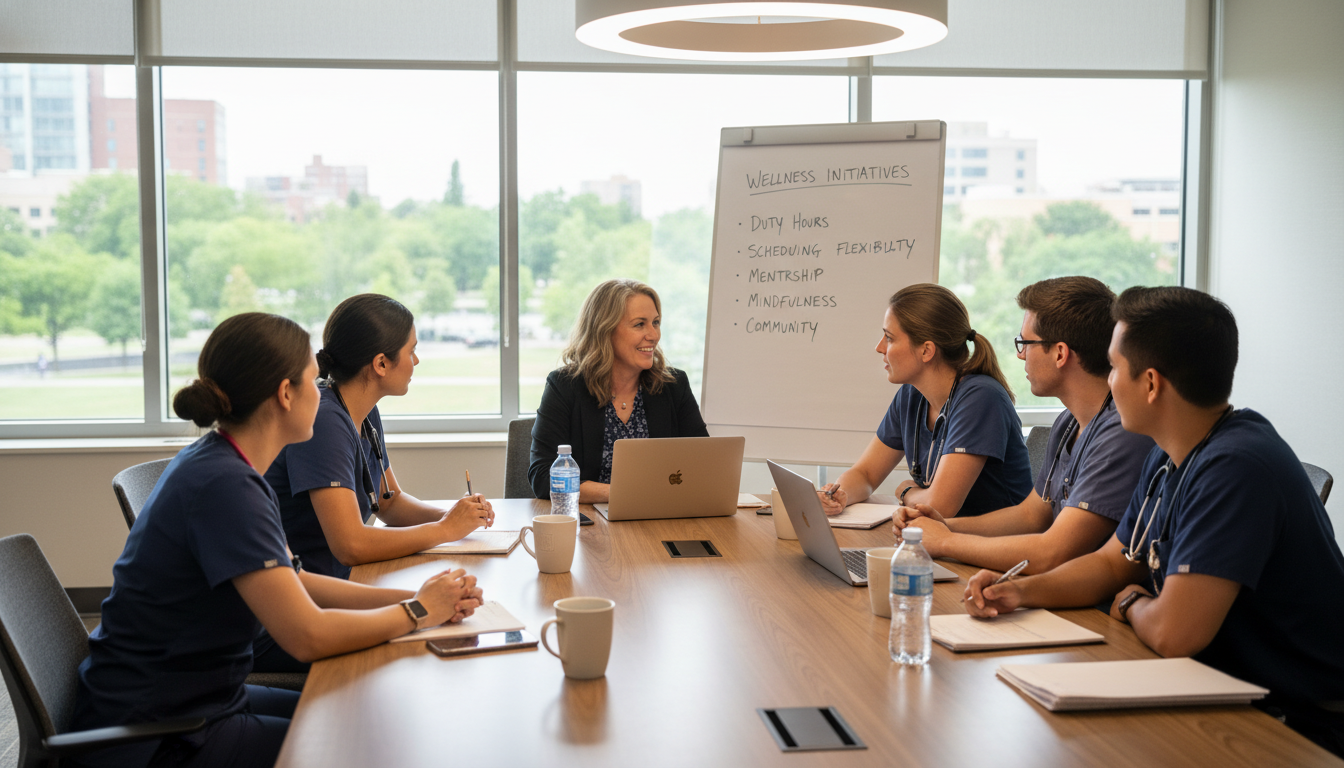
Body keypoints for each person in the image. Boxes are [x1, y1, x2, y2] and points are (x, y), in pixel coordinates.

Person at [70, 313, 483, 768]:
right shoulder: (225, 486)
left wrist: (423, 597)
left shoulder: (230, 466)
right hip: (156, 733)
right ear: (286, 395)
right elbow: (307, 635)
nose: (322, 392)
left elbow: (298, 579)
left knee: (370, 714)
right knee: (370, 747)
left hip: (200, 700)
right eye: (313, 380)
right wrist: (419, 612)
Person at [964, 286, 1344, 757]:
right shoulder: (1170, 452)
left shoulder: (1236, 466)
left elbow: (1173, 633)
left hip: (1295, 723)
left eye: (1115, 367)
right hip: (1218, 686)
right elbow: (1109, 566)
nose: (1108, 382)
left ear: (1151, 384)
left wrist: (1130, 606)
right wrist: (1019, 591)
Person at [259, 294, 492, 672]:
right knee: (419, 661)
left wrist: (452, 516)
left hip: (328, 587)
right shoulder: (325, 420)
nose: (416, 361)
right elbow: (350, 544)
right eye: (412, 350)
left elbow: (390, 502)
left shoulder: (364, 411)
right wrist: (444, 530)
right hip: (308, 603)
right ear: (381, 363)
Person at [894, 277, 1154, 574]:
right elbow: (1032, 516)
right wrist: (942, 527)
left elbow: (1053, 551)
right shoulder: (1068, 422)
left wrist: (945, 542)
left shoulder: (1121, 433)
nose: (1020, 355)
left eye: (1025, 344)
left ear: (1060, 353)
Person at [820, 283, 1031, 518]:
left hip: (993, 548)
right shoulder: (911, 395)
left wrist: (906, 492)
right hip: (942, 540)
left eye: (889, 338)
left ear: (926, 351)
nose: (880, 348)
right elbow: (866, 473)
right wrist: (841, 493)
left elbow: (939, 506)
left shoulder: (981, 398)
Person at [529, 278, 708, 503]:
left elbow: (704, 466)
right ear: (605, 330)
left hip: (660, 518)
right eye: (639, 324)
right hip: (590, 524)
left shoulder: (674, 385)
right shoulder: (565, 386)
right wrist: (621, 494)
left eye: (656, 322)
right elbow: (543, 477)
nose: (653, 335)